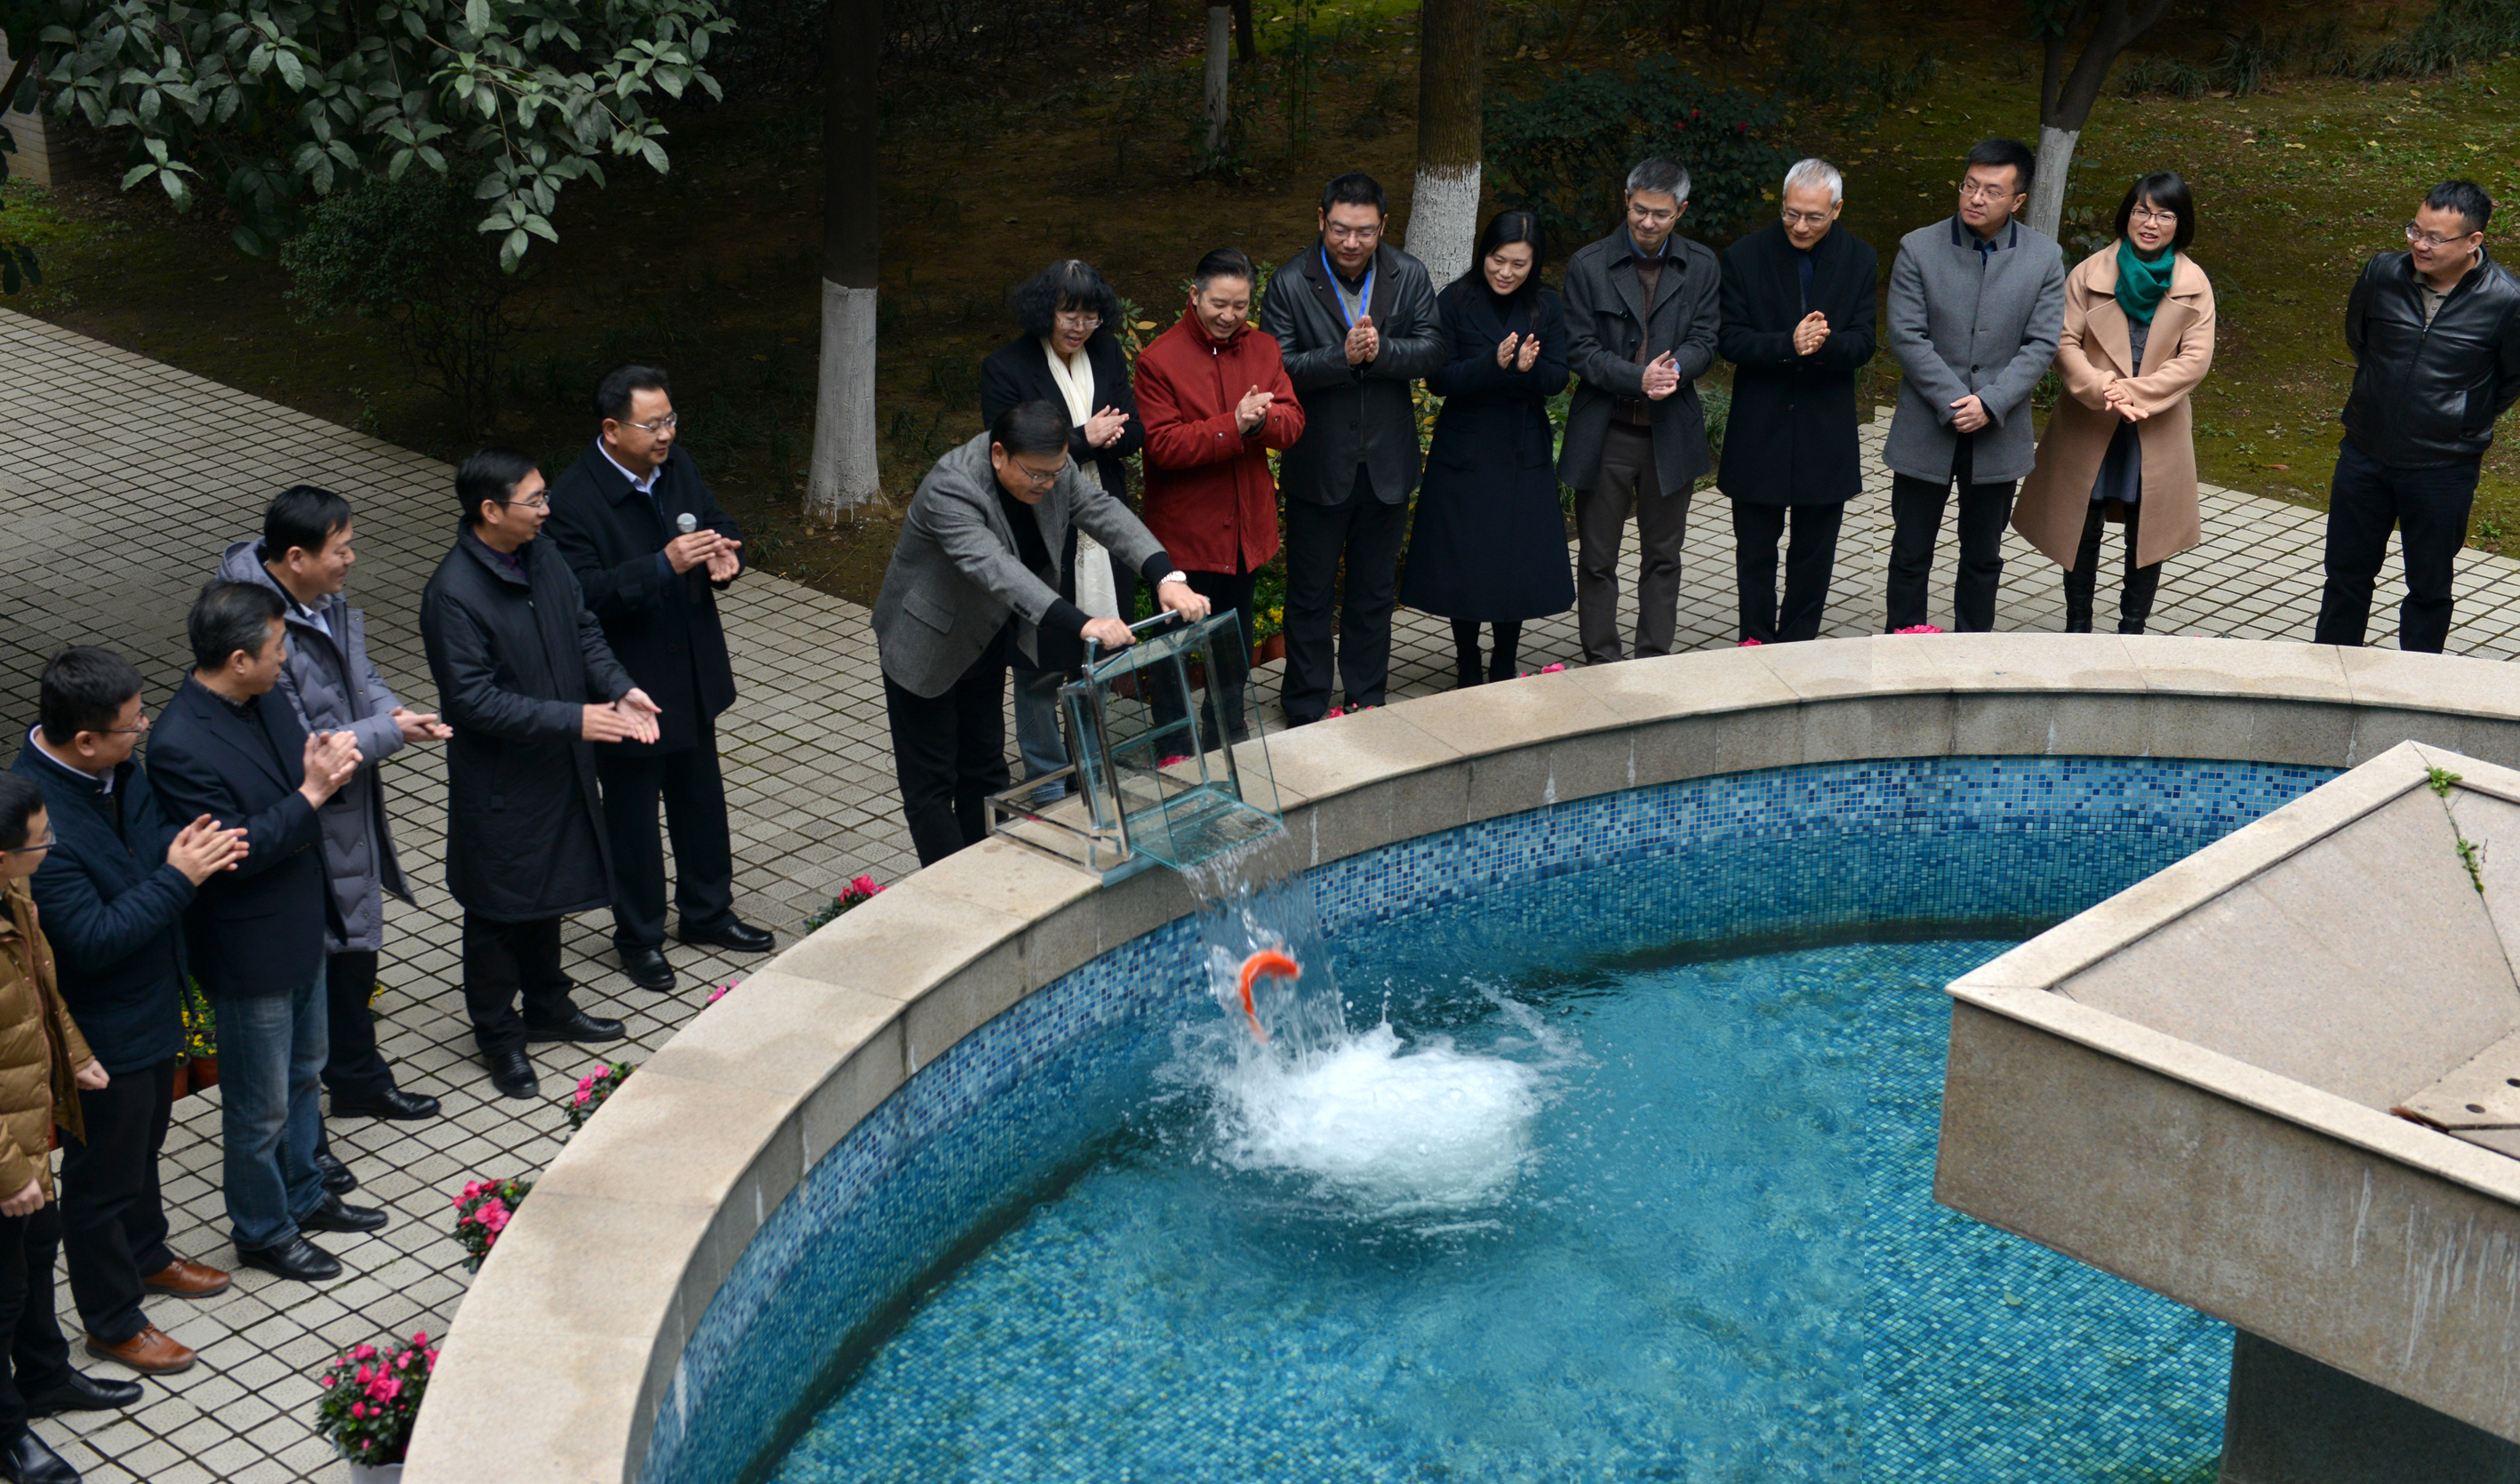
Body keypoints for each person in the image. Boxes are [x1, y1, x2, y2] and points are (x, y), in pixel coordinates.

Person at [12, 648, 244, 1378]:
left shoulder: (117, 771)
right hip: (101, 1030)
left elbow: (148, 847)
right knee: (101, 1180)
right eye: (131, 723)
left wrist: (173, 860)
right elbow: (92, 940)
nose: (144, 729)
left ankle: (147, 1254)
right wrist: (178, 876)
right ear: (84, 739)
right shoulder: (38, 823)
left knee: (142, 1149)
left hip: (155, 998)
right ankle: (112, 1320)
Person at [148, 582, 382, 1285]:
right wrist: (312, 792)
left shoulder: (266, 694)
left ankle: (305, 1193)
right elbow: (234, 852)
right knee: (258, 1106)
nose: (287, 658)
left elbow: (294, 782)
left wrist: (321, 772)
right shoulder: (179, 743)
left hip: (301, 919)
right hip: (247, 947)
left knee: (306, 1071)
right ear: (239, 659)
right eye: (278, 646)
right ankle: (262, 1229)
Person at [216, 487, 447, 1202]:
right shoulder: (254, 625)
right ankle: (308, 1137)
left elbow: (360, 673)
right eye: (340, 549)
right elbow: (303, 740)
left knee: (354, 950)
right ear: (295, 557)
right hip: (307, 812)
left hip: (347, 805)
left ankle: (358, 1078)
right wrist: (390, 732)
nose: (350, 559)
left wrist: (393, 711)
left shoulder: (323, 599)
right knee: (318, 963)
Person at [872, 402, 1212, 865]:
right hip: (925, 640)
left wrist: (1166, 576)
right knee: (931, 785)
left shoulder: (1051, 465)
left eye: (1056, 473)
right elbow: (997, 570)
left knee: (986, 767)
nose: (1049, 484)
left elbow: (1101, 510)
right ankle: (955, 890)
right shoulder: (951, 487)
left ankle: (989, 869)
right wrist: (1082, 622)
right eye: (1038, 475)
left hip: (985, 636)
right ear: (999, 455)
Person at [422, 450, 653, 1101]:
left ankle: (550, 1005)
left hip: (557, 763)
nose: (547, 510)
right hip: (500, 782)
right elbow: (472, 701)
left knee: (550, 891)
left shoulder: (543, 555)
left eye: (545, 495)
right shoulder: (452, 594)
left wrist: (619, 687)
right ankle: (499, 1037)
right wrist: (575, 719)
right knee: (498, 910)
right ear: (490, 511)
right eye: (535, 500)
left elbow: (583, 630)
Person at [545, 366, 772, 994]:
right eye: (652, 425)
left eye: (670, 419)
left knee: (702, 803)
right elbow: (580, 595)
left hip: (692, 671)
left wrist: (727, 554)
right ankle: (639, 937)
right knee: (633, 823)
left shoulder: (677, 467)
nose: (666, 434)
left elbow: (718, 519)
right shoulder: (573, 500)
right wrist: (660, 566)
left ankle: (707, 911)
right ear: (611, 429)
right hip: (627, 685)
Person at [1258, 171, 1445, 723]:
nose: (1351, 242)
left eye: (1364, 231)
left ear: (1383, 226)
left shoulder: (1408, 273)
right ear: (1321, 219)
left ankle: (1367, 698)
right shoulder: (1290, 281)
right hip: (1318, 462)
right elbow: (1277, 367)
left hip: (1386, 462)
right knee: (1310, 593)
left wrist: (1382, 351)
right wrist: (1340, 357)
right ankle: (1305, 704)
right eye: (1340, 228)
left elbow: (1432, 349)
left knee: (1373, 592)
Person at [0, 774, 140, 1484]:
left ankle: (46, 1376)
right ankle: (7, 1435)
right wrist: (8, 1170)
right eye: (40, 839)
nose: (50, 846)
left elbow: (40, 990)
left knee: (35, 1256)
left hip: (26, 1126)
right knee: (2, 1292)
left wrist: (76, 1055)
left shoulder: (14, 892)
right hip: (6, 1152)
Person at [2314, 180, 2520, 653]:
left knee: (2428, 588)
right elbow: (2361, 341)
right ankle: (2328, 676)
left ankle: (2420, 685)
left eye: (2435, 238)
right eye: (2415, 230)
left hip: (2443, 467)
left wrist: (2461, 417)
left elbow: (2510, 380)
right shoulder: (2381, 273)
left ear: (2473, 241)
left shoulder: (2508, 301)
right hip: (2364, 453)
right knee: (2345, 577)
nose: (2419, 245)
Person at [2014, 172, 2217, 635]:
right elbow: (2063, 342)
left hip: (2154, 422)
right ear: (2127, 214)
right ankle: (2077, 627)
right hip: (2091, 418)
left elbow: (2195, 359)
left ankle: (2133, 630)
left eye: (2164, 215)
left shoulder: (2194, 283)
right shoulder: (2089, 273)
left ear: (2180, 224)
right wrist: (2102, 388)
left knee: (2149, 532)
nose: (2150, 223)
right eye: (2142, 211)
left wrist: (2134, 393)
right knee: (2078, 526)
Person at [1882, 138, 2068, 633]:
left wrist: (1990, 403)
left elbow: (2041, 343)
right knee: (1910, 551)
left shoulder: (2044, 258)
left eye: (1991, 191)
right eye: (1969, 185)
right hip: (1926, 425)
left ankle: (1973, 651)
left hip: (1997, 430)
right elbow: (1907, 335)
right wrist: (1954, 401)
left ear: (2018, 200)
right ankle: (1905, 644)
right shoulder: (1918, 247)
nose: (1976, 198)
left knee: (1983, 555)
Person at [980, 261, 1147, 797]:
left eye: (1090, 316)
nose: (1080, 327)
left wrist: (1111, 436)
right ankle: (1048, 781)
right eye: (1069, 315)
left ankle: (1091, 770)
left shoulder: (1107, 352)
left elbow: (1135, 430)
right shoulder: (1006, 367)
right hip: (1040, 530)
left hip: (1102, 524)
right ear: (1043, 311)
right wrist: (1083, 438)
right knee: (1040, 666)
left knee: (1096, 661)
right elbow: (1003, 452)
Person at [1559, 156, 1723, 663]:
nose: (1647, 223)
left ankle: (1653, 660)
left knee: (1664, 556)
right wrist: (1639, 378)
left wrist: (1675, 370)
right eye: (1639, 211)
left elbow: (1706, 339)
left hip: (1670, 431)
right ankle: (1601, 661)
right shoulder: (1588, 264)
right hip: (1606, 430)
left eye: (1660, 214)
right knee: (1597, 557)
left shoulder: (1702, 264)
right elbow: (1580, 349)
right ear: (1626, 201)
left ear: (1681, 212)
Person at [1136, 247, 1306, 735]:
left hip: (1244, 530)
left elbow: (1292, 421)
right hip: (1185, 532)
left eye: (1240, 305)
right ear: (1194, 296)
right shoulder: (1158, 360)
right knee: (1174, 644)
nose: (1229, 316)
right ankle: (1171, 737)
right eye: (1218, 304)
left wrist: (1262, 424)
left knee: (1234, 642)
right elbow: (1161, 445)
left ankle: (1227, 726)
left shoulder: (1264, 349)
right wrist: (1232, 425)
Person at [1401, 211, 1573, 682]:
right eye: (1498, 259)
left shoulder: (1546, 305)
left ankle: (1504, 660)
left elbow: (1558, 377)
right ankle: (1467, 660)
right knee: (1466, 559)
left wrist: (1528, 370)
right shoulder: (1455, 299)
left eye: (1519, 263)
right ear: (1484, 254)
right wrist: (1492, 364)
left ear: (1533, 264)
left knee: (1512, 560)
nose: (1506, 272)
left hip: (1521, 450)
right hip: (1466, 450)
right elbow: (1438, 378)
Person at [1717, 158, 1879, 645]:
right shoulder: (1744, 256)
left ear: (1837, 209)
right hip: (1759, 426)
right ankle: (1754, 641)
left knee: (1814, 555)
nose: (1800, 226)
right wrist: (1787, 344)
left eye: (1814, 217)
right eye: (1791, 213)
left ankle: (1799, 646)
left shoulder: (1859, 258)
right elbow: (1729, 339)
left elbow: (1864, 342)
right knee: (1754, 552)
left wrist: (1823, 344)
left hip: (1824, 429)